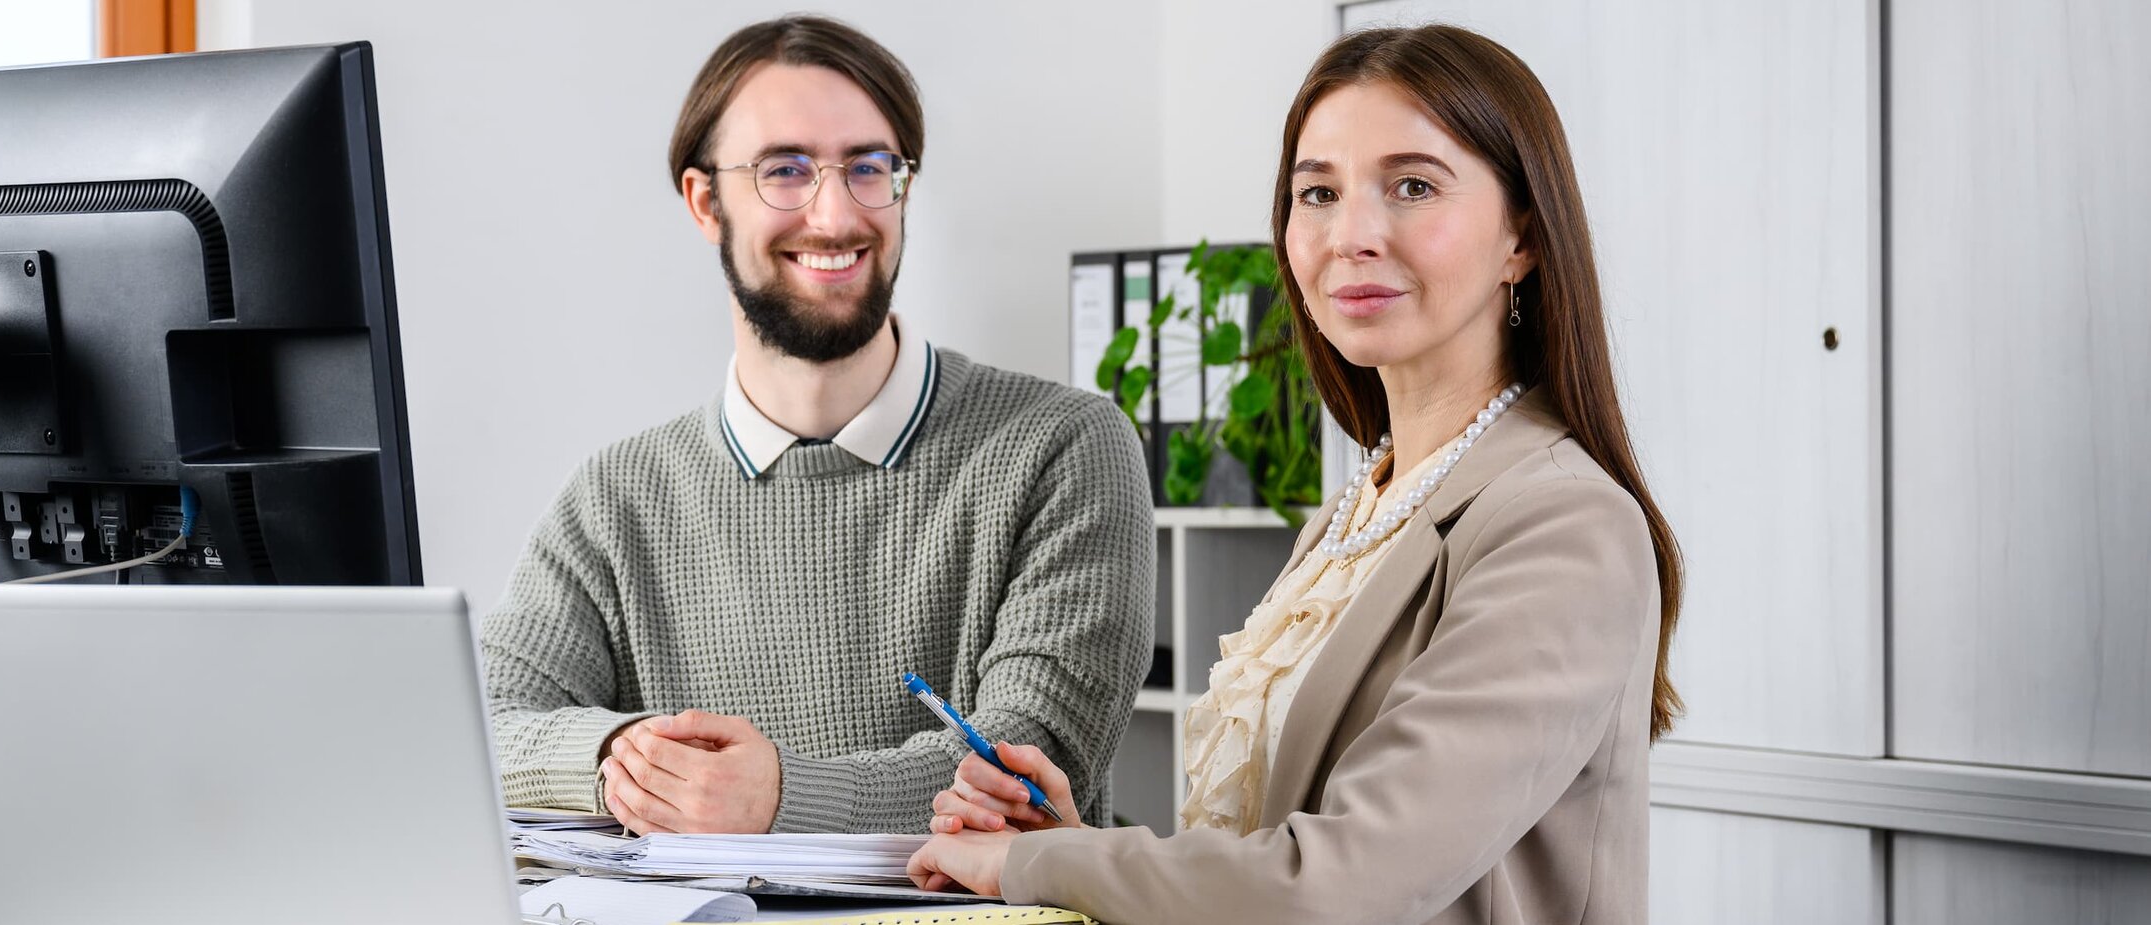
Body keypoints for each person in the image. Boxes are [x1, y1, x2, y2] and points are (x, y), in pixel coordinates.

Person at [906, 24, 1685, 924]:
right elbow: (1270, 847)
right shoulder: (1365, 504)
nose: (1350, 234)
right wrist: (1059, 838)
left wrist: (1044, 864)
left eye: (1414, 186)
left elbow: (1343, 882)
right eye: (1317, 192)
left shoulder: (1564, 521)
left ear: (1523, 238)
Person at [480, 15, 1154, 836]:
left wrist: (775, 799)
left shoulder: (1066, 447)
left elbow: (1029, 768)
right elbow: (484, 724)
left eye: (870, 168)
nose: (835, 217)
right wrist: (630, 759)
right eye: (784, 171)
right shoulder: (616, 498)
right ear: (705, 201)